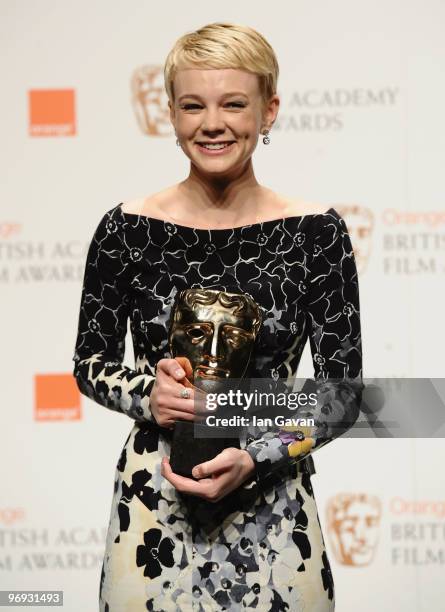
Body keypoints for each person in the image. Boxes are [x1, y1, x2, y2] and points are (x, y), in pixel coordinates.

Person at [72, 21, 363, 611]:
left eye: (234, 103)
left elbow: (341, 393)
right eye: (192, 105)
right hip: (154, 504)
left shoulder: (316, 234)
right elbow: (90, 362)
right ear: (171, 113)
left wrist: (258, 454)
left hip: (276, 509)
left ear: (269, 109)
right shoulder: (125, 231)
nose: (212, 123)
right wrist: (146, 396)